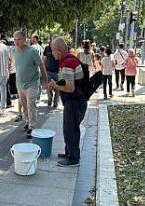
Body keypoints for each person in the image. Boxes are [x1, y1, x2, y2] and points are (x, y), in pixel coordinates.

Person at [48, 36, 87, 167]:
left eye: (52, 50)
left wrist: (56, 86)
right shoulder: (69, 59)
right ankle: (69, 152)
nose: (51, 54)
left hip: (74, 101)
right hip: (76, 101)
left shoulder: (67, 62)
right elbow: (68, 80)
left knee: (71, 130)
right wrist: (58, 83)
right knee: (68, 129)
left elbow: (70, 88)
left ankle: (73, 159)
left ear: (58, 50)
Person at [11, 30, 47, 137]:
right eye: (15, 40)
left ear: (25, 39)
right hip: (20, 83)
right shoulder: (13, 51)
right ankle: (27, 121)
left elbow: (41, 66)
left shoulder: (32, 51)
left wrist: (44, 80)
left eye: (19, 39)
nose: (17, 42)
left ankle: (32, 126)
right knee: (24, 105)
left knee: (31, 104)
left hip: (32, 83)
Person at [43, 35, 59, 108]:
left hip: (57, 71)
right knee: (48, 86)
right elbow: (45, 59)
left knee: (58, 87)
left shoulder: (59, 48)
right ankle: (50, 99)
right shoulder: (47, 48)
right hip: (48, 70)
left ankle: (55, 102)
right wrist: (43, 69)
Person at [30, 34, 44, 102]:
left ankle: (36, 96)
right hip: (39, 66)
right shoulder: (41, 47)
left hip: (33, 67)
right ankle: (38, 96)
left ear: (35, 39)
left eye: (32, 38)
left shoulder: (32, 47)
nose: (30, 39)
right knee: (38, 82)